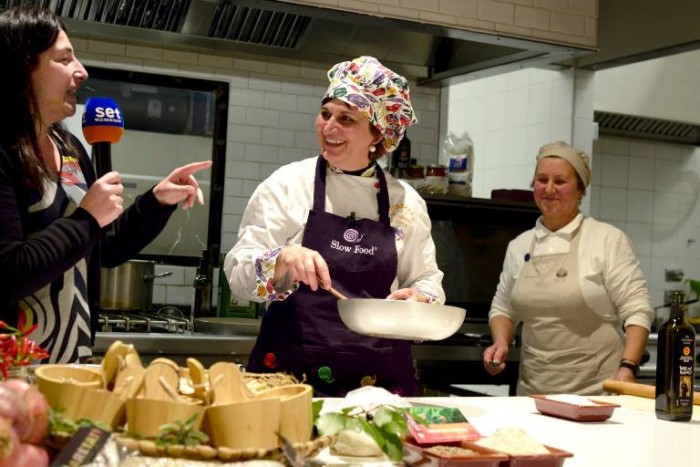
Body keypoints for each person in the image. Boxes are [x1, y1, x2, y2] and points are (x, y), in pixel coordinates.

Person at [0, 6, 212, 363]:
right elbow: (7, 273)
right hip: (11, 374)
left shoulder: (69, 149)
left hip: (71, 362)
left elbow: (104, 249)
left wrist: (156, 203)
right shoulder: (4, 151)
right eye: (64, 59)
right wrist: (85, 219)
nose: (81, 72)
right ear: (22, 67)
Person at [224, 56, 445, 397]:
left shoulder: (407, 204)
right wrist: (281, 259)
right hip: (289, 381)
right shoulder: (286, 185)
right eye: (325, 114)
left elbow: (428, 280)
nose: (329, 127)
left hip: (380, 385)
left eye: (347, 119)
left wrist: (420, 298)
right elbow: (237, 276)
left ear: (378, 133)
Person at [483, 141, 653, 395]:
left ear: (580, 190)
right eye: (542, 180)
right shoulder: (519, 246)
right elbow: (503, 309)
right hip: (533, 396)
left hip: (596, 395)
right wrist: (500, 343)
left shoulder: (606, 240)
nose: (549, 189)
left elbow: (637, 310)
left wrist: (627, 368)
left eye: (560, 181)